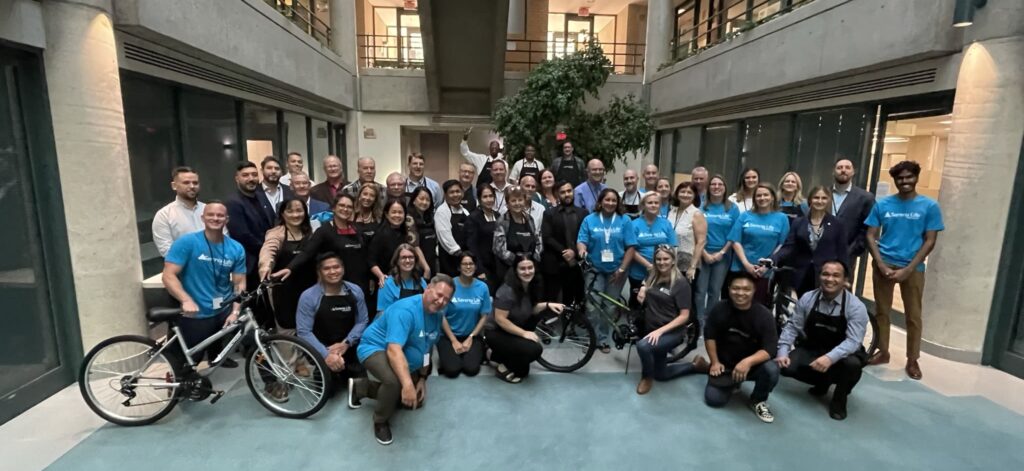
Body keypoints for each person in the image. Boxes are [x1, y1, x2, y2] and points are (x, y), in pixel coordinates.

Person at [350, 276, 455, 445]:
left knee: (415, 401)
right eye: (439, 294)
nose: (441, 301)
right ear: (428, 288)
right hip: (375, 347)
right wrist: (406, 384)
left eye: (446, 299)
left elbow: (427, 349)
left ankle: (360, 388)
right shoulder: (405, 311)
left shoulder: (437, 315)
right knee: (394, 383)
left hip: (401, 353)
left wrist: (422, 378)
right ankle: (380, 421)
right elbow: (393, 350)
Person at [865, 160, 944, 380]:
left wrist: (909, 269)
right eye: (900, 178)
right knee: (882, 311)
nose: (905, 181)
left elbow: (930, 241)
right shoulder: (883, 205)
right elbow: (870, 235)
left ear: (916, 177)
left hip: (913, 267)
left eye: (909, 177)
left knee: (914, 316)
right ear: (895, 180)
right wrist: (880, 263)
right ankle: (883, 351)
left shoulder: (929, 206)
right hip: (884, 264)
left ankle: (912, 359)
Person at [776, 260, 867, 420]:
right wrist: (783, 350)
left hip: (844, 354)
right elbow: (792, 326)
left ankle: (839, 400)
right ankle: (823, 382)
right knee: (787, 367)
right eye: (825, 274)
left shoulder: (856, 307)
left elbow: (853, 341)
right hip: (814, 347)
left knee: (852, 366)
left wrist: (829, 358)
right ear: (819, 277)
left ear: (845, 281)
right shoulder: (808, 298)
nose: (829, 279)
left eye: (836, 275)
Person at [162, 202, 246, 370]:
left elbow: (239, 283)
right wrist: (186, 300)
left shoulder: (236, 248)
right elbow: (168, 275)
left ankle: (271, 383)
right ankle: (177, 389)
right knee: (186, 363)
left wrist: (236, 311)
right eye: (211, 215)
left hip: (222, 310)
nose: (215, 218)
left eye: (220, 215)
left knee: (249, 338)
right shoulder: (187, 242)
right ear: (203, 218)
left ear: (226, 219)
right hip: (195, 313)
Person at [274, 194, 373, 318]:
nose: (345, 209)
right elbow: (307, 252)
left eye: (349, 207)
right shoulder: (324, 231)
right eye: (341, 205)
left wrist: (372, 278)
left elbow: (367, 256)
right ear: (333, 208)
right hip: (336, 285)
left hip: (359, 284)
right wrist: (290, 268)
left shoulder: (358, 230)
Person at [704, 273, 780, 423]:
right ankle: (730, 379)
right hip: (725, 365)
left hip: (752, 367)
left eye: (746, 289)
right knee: (714, 400)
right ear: (729, 289)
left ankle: (758, 400)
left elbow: (770, 349)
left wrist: (748, 362)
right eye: (736, 288)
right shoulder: (719, 308)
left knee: (771, 369)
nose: (740, 293)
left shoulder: (764, 315)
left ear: (753, 291)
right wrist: (714, 362)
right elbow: (709, 336)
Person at [635, 246, 708, 395]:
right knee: (661, 375)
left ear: (673, 261)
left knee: (643, 346)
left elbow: (684, 316)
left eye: (666, 259)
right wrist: (643, 288)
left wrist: (659, 332)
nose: (662, 262)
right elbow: (646, 284)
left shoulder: (680, 283)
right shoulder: (653, 276)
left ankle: (646, 378)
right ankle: (695, 366)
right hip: (653, 328)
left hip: (671, 332)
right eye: (658, 259)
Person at [486, 255, 564, 383]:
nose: (527, 272)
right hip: (496, 332)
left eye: (530, 267)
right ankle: (501, 367)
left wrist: (548, 304)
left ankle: (495, 355)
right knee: (534, 350)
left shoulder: (531, 285)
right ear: (516, 270)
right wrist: (524, 333)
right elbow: (500, 320)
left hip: (512, 326)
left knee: (523, 371)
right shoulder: (507, 291)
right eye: (522, 269)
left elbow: (529, 308)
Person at [295, 252, 369, 384]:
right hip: (322, 348)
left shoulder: (355, 291)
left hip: (348, 346)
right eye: (327, 268)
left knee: (360, 386)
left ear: (343, 268)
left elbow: (362, 321)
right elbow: (304, 331)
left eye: (336, 267)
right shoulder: (308, 296)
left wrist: (346, 343)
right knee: (328, 390)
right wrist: (326, 355)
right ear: (319, 272)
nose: (333, 271)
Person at [577, 188, 636, 352]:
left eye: (613, 200)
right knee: (592, 306)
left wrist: (622, 269)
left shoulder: (625, 221)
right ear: (600, 202)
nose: (610, 203)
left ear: (617, 203)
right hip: (594, 270)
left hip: (616, 271)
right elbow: (581, 240)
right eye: (607, 200)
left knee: (609, 306)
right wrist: (582, 251)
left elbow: (631, 247)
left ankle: (603, 339)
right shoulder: (589, 219)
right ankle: (591, 338)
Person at [772, 186, 849, 296]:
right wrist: (773, 258)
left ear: (828, 201)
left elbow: (843, 252)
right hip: (802, 274)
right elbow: (789, 247)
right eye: (816, 198)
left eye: (824, 198)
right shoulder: (798, 223)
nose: (820, 201)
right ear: (810, 200)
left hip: (827, 276)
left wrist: (845, 277)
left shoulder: (838, 224)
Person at [258, 197, 317, 336]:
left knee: (310, 328)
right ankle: (289, 358)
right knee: (287, 328)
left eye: (299, 210)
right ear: (282, 214)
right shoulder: (275, 233)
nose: (295, 215)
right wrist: (265, 266)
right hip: (283, 291)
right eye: (290, 211)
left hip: (309, 288)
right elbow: (268, 250)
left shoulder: (311, 232)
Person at [225, 161, 275, 325]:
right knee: (255, 309)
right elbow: (242, 235)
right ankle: (254, 346)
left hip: (265, 260)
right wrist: (267, 250)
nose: (251, 178)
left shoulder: (261, 197)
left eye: (254, 175)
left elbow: (272, 224)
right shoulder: (233, 202)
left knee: (267, 307)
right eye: (245, 175)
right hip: (250, 265)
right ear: (237, 178)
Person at [728, 183, 790, 307]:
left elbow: (782, 244)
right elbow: (735, 240)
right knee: (736, 304)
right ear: (754, 198)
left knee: (758, 306)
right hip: (741, 268)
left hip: (764, 271)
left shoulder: (782, 218)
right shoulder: (745, 215)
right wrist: (746, 264)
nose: (762, 198)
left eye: (766, 195)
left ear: (772, 197)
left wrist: (766, 266)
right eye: (759, 195)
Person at [695, 175, 740, 331]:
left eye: (720, 184)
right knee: (700, 291)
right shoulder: (701, 206)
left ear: (725, 187)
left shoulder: (732, 208)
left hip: (723, 255)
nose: (716, 187)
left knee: (715, 291)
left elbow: (735, 233)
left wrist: (722, 252)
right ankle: (698, 322)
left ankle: (710, 322)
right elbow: (695, 231)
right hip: (702, 253)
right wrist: (704, 253)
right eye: (713, 184)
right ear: (709, 187)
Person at [437, 252, 491, 378]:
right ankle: (452, 355)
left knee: (471, 369)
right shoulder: (449, 286)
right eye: (464, 264)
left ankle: (476, 352)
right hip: (448, 335)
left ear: (475, 267)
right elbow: (441, 316)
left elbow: (484, 316)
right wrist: (454, 340)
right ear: (459, 267)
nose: (468, 267)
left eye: (471, 264)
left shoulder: (482, 287)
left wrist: (471, 337)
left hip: (472, 335)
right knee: (452, 370)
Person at [541, 180, 588, 305]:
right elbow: (547, 237)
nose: (567, 194)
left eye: (569, 191)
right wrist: (565, 252)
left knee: (578, 296)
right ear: (557, 195)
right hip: (556, 261)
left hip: (577, 262)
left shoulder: (583, 213)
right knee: (554, 297)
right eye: (563, 192)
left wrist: (575, 253)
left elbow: (585, 236)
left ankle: (576, 320)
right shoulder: (549, 213)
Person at [628, 192, 678, 309]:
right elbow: (631, 249)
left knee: (657, 303)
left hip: (662, 271)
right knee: (637, 303)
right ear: (643, 205)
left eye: (656, 203)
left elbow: (673, 247)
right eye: (650, 203)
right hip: (638, 272)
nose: (653, 205)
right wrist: (649, 266)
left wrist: (662, 267)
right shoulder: (634, 224)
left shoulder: (666, 224)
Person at [370, 199, 429, 287]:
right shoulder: (380, 234)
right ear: (386, 214)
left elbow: (415, 249)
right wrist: (381, 276)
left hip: (406, 280)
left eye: (400, 212)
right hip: (386, 281)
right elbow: (371, 261)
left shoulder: (407, 233)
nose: (397, 215)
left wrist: (426, 268)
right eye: (394, 212)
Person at [493, 185, 543, 283]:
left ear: (524, 201)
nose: (517, 203)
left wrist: (532, 260)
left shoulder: (530, 219)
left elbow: (538, 241)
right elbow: (498, 249)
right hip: (509, 271)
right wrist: (518, 262)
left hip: (530, 270)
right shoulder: (502, 221)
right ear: (507, 204)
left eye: (520, 200)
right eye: (513, 200)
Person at [152, 166, 205, 257]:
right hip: (184, 269)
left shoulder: (208, 210)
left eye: (195, 183)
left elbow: (224, 240)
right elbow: (167, 251)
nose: (192, 186)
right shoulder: (164, 215)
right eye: (186, 183)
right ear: (174, 186)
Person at [831, 157, 875, 259]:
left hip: (848, 254)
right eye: (839, 167)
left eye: (847, 167)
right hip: (822, 252)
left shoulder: (865, 198)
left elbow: (867, 229)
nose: (843, 170)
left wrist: (851, 251)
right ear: (833, 172)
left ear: (853, 172)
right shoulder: (824, 194)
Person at [667, 182, 707, 281]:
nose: (685, 195)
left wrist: (692, 267)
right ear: (677, 194)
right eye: (682, 192)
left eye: (689, 192)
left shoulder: (697, 214)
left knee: (685, 295)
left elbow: (701, 242)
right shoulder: (672, 211)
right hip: (670, 262)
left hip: (688, 264)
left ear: (694, 196)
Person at [465, 185, 501, 294]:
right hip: (483, 266)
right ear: (479, 199)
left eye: (491, 196)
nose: (489, 199)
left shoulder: (498, 215)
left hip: (497, 266)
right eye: (485, 197)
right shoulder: (473, 218)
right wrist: (479, 269)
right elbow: (472, 245)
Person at [377, 244, 428, 314]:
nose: (407, 261)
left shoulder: (422, 282)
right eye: (403, 257)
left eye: (411, 257)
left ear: (415, 260)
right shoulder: (387, 284)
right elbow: (382, 314)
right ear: (397, 261)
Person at [435, 180, 470, 276]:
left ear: (462, 193)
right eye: (451, 192)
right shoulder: (442, 212)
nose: (455, 195)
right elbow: (444, 235)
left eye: (458, 191)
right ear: (445, 195)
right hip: (450, 259)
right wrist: (460, 254)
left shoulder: (465, 211)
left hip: (465, 259)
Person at [407, 187, 438, 276]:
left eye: (428, 200)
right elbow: (415, 246)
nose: (424, 202)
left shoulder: (430, 218)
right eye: (421, 198)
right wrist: (425, 267)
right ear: (413, 200)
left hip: (431, 261)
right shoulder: (409, 219)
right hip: (418, 265)